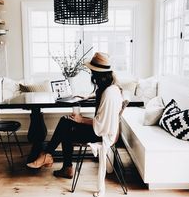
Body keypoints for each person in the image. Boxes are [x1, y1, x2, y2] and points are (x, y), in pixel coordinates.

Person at [27, 52, 125, 183]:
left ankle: (51, 158)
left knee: (65, 127)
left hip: (102, 135)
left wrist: (81, 120)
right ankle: (52, 158)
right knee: (66, 122)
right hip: (106, 131)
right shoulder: (112, 88)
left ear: (97, 73)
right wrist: (88, 96)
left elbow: (101, 125)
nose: (91, 73)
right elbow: (104, 112)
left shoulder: (108, 93)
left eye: (92, 71)